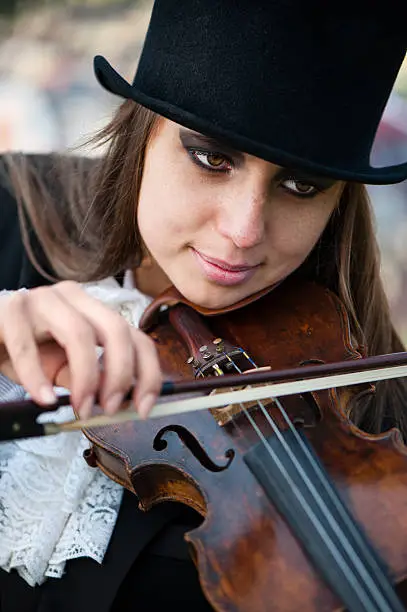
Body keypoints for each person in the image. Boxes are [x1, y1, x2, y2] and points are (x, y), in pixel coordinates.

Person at [0, 1, 407, 610]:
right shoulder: (9, 208)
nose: (244, 230)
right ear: (145, 131)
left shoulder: (378, 425)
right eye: (212, 158)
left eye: (301, 186)